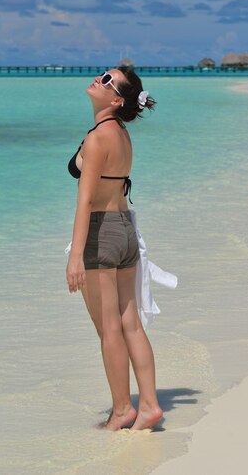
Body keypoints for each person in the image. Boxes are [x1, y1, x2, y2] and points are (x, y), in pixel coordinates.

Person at [66, 66, 163, 431]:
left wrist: (76, 256)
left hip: (101, 231)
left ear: (117, 99)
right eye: (102, 75)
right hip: (124, 229)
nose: (98, 80)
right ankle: (150, 404)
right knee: (130, 325)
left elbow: (85, 200)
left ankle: (123, 410)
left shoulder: (97, 139)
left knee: (109, 329)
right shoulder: (121, 134)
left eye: (107, 81)